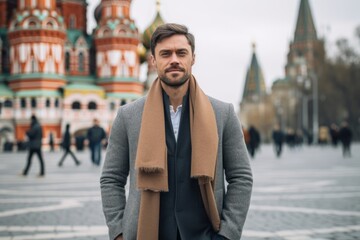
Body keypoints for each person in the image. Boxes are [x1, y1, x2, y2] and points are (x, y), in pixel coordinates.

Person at [100, 23, 253, 240]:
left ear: (193, 58)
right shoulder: (128, 116)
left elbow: (241, 177)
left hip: (207, 233)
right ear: (153, 60)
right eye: (165, 54)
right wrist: (118, 232)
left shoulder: (223, 113)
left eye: (181, 53)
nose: (174, 60)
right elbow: (111, 178)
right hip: (146, 233)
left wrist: (228, 234)